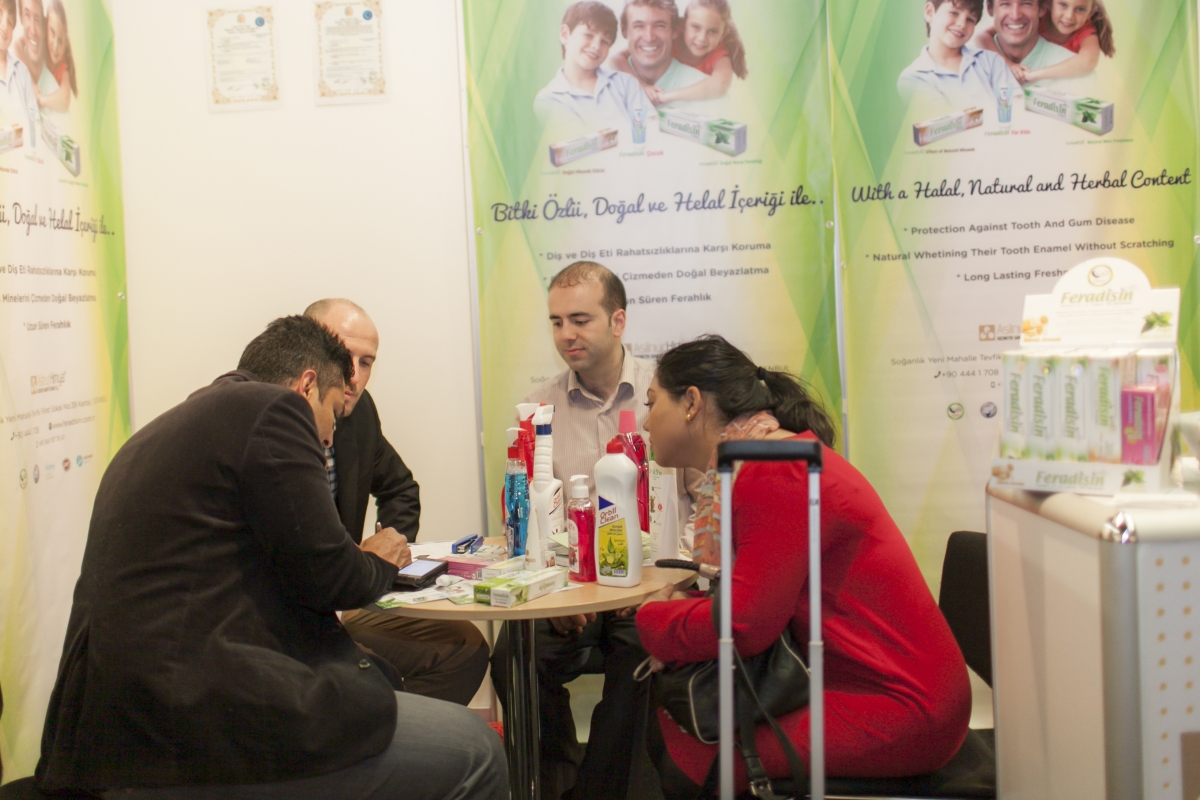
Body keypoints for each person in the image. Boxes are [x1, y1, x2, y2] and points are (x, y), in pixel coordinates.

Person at [34, 316, 507, 799]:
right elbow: (332, 576)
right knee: (478, 750)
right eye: (332, 415)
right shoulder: (274, 410)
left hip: (118, 726)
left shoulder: (165, 430)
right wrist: (380, 558)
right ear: (307, 386)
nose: (329, 439)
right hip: (190, 723)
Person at [636, 335, 971, 797]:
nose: (646, 421)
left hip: (902, 705)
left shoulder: (776, 469)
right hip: (856, 682)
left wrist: (652, 618)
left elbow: (745, 624)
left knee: (697, 759)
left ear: (691, 403)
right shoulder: (763, 461)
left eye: (652, 403)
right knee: (673, 725)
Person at [490, 261, 697, 800]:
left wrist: (665, 583)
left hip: (650, 589)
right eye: (556, 322)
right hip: (573, 593)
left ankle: (599, 791)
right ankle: (553, 782)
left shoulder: (667, 396)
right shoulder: (540, 408)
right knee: (514, 656)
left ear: (618, 321)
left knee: (641, 656)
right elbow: (531, 520)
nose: (566, 335)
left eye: (580, 320)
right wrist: (556, 591)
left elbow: (705, 506)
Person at [304, 298, 489, 706]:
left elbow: (400, 487)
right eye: (343, 356)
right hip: (291, 622)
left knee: (466, 648)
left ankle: (388, 736)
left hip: (343, 599)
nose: (353, 376)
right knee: (374, 678)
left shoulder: (358, 414)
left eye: (366, 362)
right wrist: (357, 567)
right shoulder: (270, 428)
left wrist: (386, 560)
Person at [534, 1, 651, 136]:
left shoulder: (626, 83)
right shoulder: (549, 99)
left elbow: (651, 129)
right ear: (565, 34)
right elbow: (584, 143)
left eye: (605, 41)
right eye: (588, 35)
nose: (596, 46)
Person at [897, 0, 1013, 111]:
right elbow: (949, 121)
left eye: (970, 19)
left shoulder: (991, 61)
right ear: (929, 12)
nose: (962, 24)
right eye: (954, 13)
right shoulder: (913, 78)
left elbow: (1015, 109)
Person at [607, 0, 718, 111]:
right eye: (639, 26)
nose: (649, 38)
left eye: (659, 26)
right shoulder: (603, 82)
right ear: (624, 30)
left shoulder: (705, 90)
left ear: (675, 31)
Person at [657, 0, 747, 105]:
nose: (702, 38)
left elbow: (720, 85)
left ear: (723, 35)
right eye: (696, 27)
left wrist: (668, 96)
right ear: (683, 25)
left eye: (712, 31)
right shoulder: (672, 38)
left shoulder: (719, 55)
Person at [0, 0, 37, 141]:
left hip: (25, 152)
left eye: (10, 21)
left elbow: (34, 121)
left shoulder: (21, 71)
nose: (4, 25)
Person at [36, 0, 75, 112]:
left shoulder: (61, 66)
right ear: (45, 27)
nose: (55, 45)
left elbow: (65, 99)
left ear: (65, 45)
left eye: (60, 40)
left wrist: (41, 100)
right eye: (52, 32)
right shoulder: (40, 47)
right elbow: (18, 44)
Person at [15, 0, 58, 100]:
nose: (33, 30)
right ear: (21, 18)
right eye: (27, 16)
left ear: (44, 27)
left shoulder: (53, 89)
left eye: (37, 19)